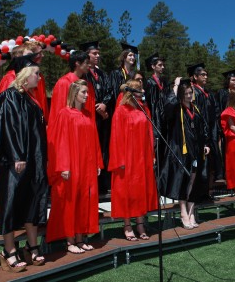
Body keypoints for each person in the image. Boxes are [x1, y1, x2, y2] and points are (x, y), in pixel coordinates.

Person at [0, 61, 48, 271]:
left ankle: (32, 246)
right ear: (25, 74)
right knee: (11, 204)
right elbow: (8, 127)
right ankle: (8, 251)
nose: (39, 78)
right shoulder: (10, 96)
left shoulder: (29, 99)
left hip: (33, 161)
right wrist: (17, 155)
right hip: (16, 161)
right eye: (36, 73)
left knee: (32, 203)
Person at [46, 80, 103, 254]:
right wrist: (63, 166)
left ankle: (80, 238)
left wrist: (97, 163)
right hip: (71, 165)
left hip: (87, 165)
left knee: (84, 200)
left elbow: (94, 141)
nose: (87, 95)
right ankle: (70, 240)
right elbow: (60, 141)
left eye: (87, 92)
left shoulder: (87, 114)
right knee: (70, 201)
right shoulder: (65, 114)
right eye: (84, 92)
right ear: (74, 93)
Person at [108, 79, 158, 240]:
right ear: (131, 93)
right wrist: (119, 160)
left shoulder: (144, 110)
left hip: (142, 157)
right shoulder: (121, 110)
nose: (142, 93)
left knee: (140, 191)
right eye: (139, 91)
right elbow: (116, 137)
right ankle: (128, 225)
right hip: (127, 158)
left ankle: (140, 223)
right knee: (127, 192)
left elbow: (149, 134)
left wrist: (152, 155)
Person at [160, 78, 211, 229]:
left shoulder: (196, 109)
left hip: (197, 150)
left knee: (195, 181)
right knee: (184, 180)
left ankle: (191, 211)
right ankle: (183, 212)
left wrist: (206, 143)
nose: (189, 95)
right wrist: (176, 86)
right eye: (186, 93)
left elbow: (204, 127)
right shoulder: (177, 109)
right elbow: (168, 105)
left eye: (190, 93)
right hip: (182, 151)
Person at [80, 41, 112, 195]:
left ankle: (103, 184)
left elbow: (109, 91)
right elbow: (81, 96)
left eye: (98, 53)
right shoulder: (83, 74)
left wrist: (105, 104)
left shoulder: (102, 74)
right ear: (87, 55)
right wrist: (95, 108)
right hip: (89, 116)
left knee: (103, 149)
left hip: (102, 118)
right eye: (95, 53)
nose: (98, 56)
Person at [48, 51, 95, 129]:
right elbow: (58, 110)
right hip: (68, 128)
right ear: (77, 63)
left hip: (84, 127)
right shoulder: (64, 82)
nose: (89, 65)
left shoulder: (87, 84)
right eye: (86, 63)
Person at [144, 53, 170, 143]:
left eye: (163, 65)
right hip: (154, 117)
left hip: (164, 117)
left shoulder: (165, 82)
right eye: (160, 65)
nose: (162, 67)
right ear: (153, 66)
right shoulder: (149, 82)